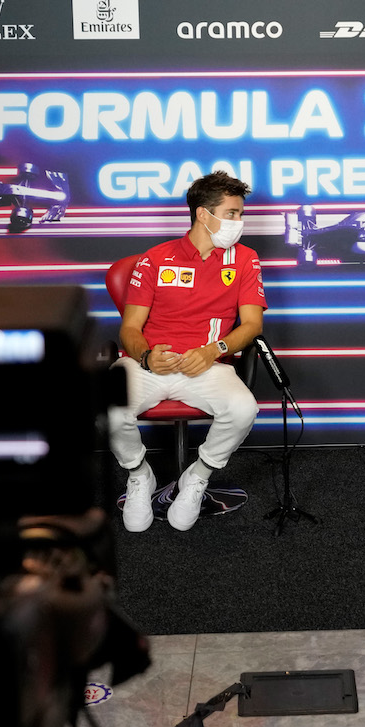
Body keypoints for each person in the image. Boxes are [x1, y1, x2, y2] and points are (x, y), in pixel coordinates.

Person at [110, 170, 267, 532]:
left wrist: (215, 350)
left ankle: (197, 476)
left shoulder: (245, 259)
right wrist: (148, 356)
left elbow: (252, 326)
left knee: (244, 409)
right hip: (150, 365)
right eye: (231, 213)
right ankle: (139, 475)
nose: (238, 221)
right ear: (203, 214)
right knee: (109, 409)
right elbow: (130, 329)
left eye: (240, 214)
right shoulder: (155, 259)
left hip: (208, 365)